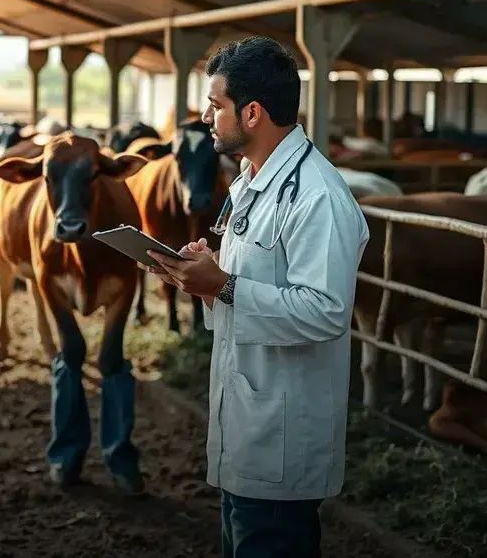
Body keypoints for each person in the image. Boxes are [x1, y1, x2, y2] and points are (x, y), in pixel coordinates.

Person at [145, 36, 370, 557]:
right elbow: (251, 287)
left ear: (251, 113)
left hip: (282, 439)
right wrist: (205, 276)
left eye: (215, 104)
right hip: (248, 424)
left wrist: (221, 284)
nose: (205, 116)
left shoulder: (317, 197)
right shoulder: (252, 181)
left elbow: (326, 312)